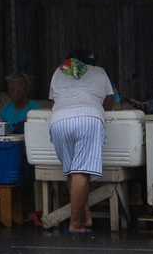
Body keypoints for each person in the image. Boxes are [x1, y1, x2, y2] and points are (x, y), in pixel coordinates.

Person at [47, 48, 114, 235]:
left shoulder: (59, 71)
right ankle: (75, 223)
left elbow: (55, 98)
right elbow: (108, 104)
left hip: (59, 120)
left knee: (71, 171)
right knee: (81, 172)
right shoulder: (99, 72)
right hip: (88, 118)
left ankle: (85, 215)